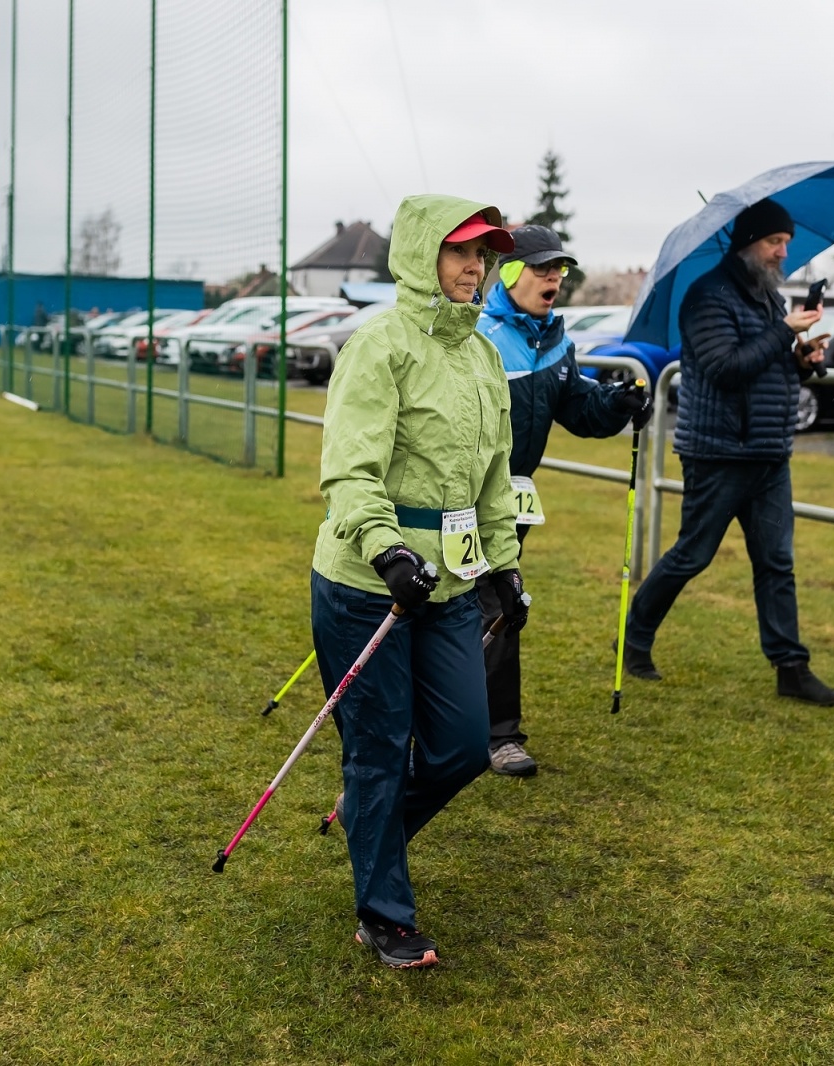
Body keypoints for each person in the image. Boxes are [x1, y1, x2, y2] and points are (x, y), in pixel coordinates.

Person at [311, 193, 526, 969]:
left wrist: (504, 566)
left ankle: (368, 820)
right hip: (367, 586)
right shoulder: (381, 346)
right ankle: (383, 915)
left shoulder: (484, 355)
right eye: (461, 251)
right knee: (376, 749)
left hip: (452, 585)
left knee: (463, 746)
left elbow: (492, 478)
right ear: (421, 255)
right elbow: (349, 470)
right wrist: (384, 549)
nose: (475, 268)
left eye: (485, 255)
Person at [620, 198, 834, 706]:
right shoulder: (708, 296)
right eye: (774, 242)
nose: (782, 252)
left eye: (786, 243)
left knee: (777, 562)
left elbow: (766, 366)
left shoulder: (767, 297)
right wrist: (782, 333)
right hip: (718, 451)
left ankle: (791, 667)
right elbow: (725, 368)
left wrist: (802, 358)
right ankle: (633, 638)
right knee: (692, 555)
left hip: (769, 452)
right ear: (748, 243)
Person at [474, 225, 651, 776]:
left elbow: (577, 408)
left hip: (511, 504)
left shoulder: (555, 342)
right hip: (458, 498)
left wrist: (618, 403)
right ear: (508, 272)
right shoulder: (476, 337)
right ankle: (457, 726)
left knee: (499, 608)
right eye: (542, 268)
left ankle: (497, 735)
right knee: (463, 607)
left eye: (560, 270)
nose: (555, 278)